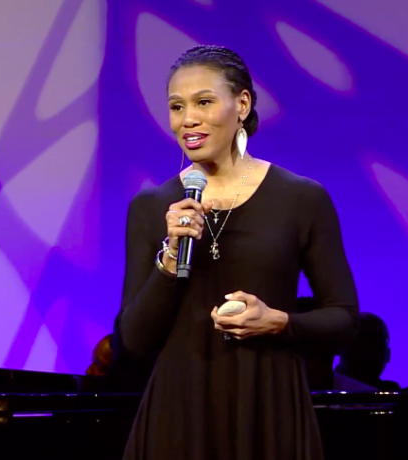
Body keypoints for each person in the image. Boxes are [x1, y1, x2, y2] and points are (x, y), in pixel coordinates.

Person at [112, 45, 359, 459]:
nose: (187, 119)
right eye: (176, 106)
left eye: (203, 102)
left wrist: (279, 322)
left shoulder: (300, 198)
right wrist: (170, 259)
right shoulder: (152, 207)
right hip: (178, 415)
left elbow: (345, 320)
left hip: (269, 405)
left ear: (242, 103)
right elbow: (131, 343)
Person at [333, 312, 399, 391]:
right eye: (359, 339)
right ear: (339, 348)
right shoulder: (322, 387)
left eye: (376, 341)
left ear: (388, 354)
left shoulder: (396, 396)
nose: (367, 347)